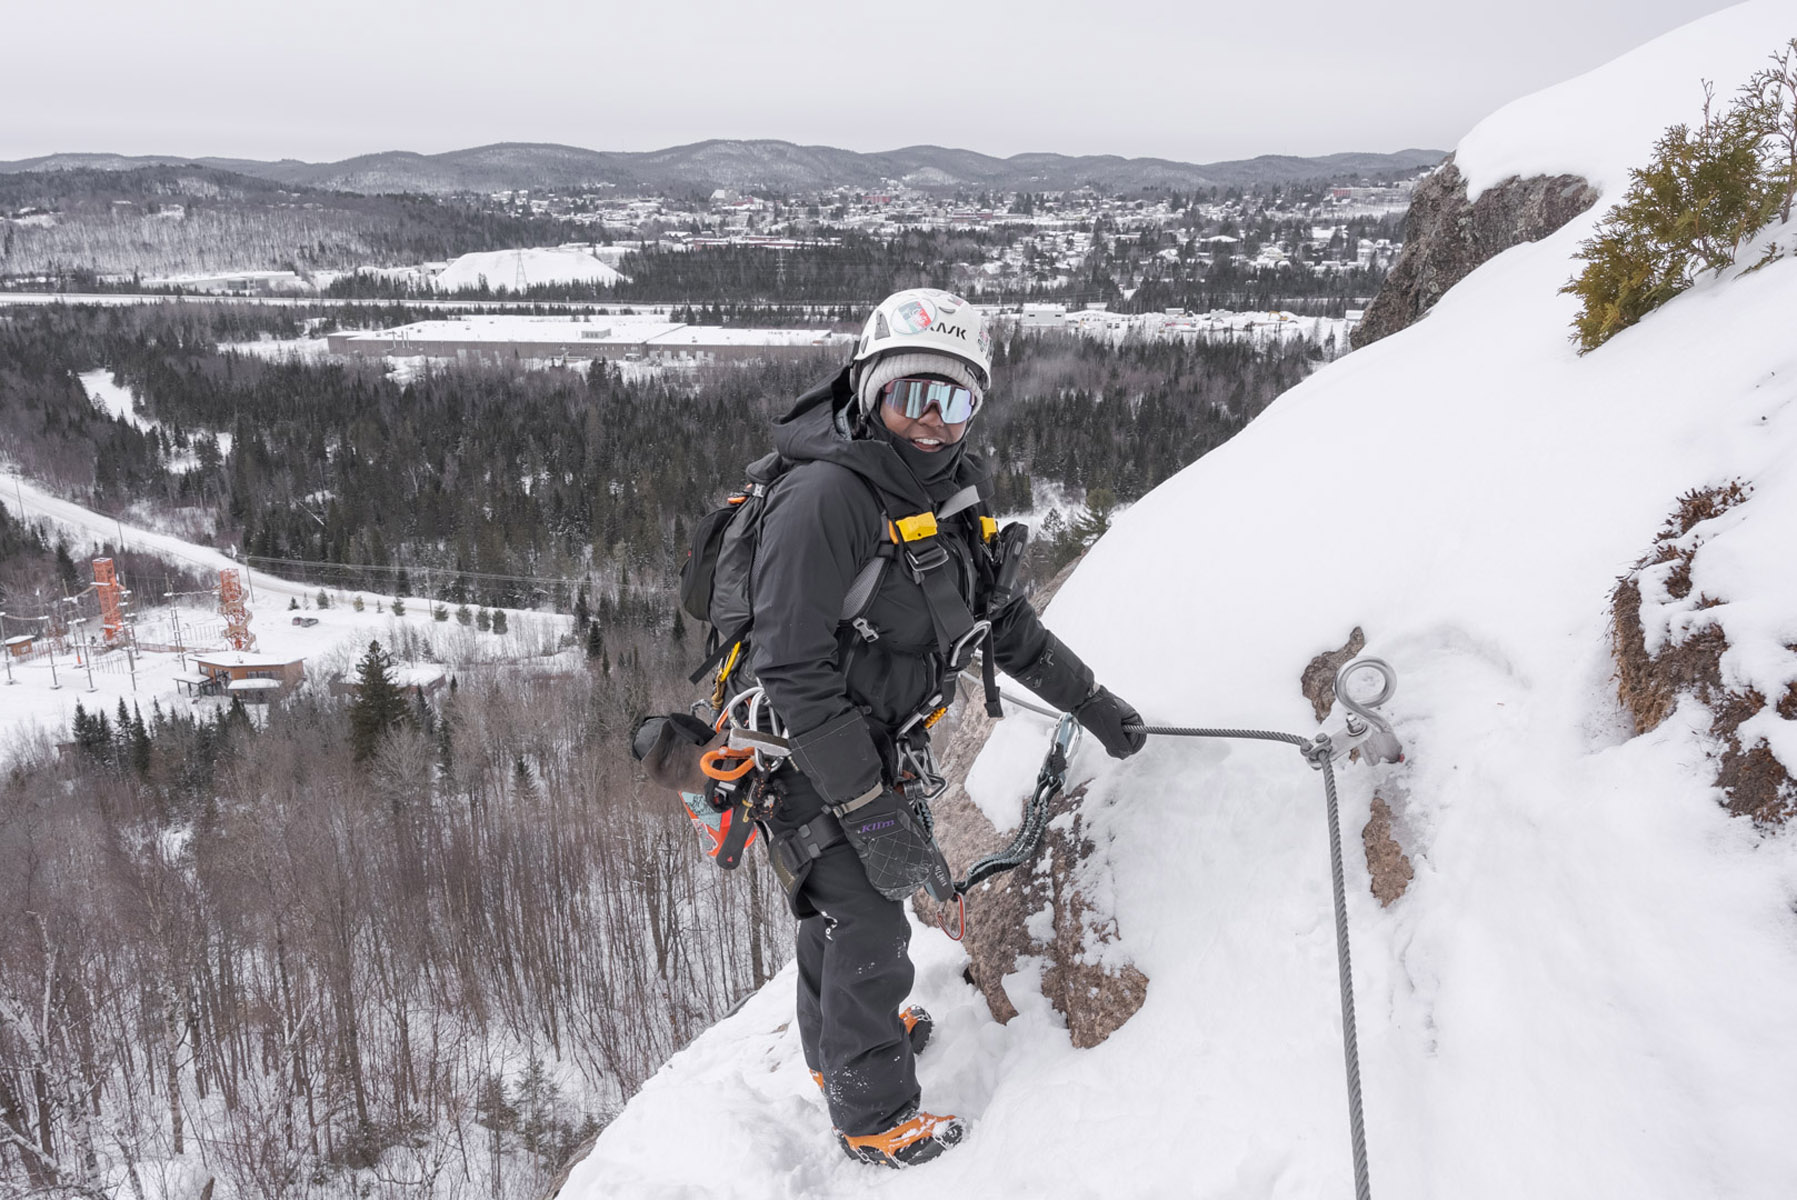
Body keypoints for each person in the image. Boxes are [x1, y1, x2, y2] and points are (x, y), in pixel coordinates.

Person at [745, 287, 1146, 1168]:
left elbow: (1002, 625)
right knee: (869, 920)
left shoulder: (951, 491)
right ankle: (872, 1114)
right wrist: (864, 801)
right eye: (910, 396)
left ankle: (836, 1053)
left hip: (874, 742)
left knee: (843, 911)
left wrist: (1092, 702)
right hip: (807, 747)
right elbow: (792, 667)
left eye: (953, 400)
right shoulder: (825, 500)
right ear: (867, 389)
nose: (931, 423)